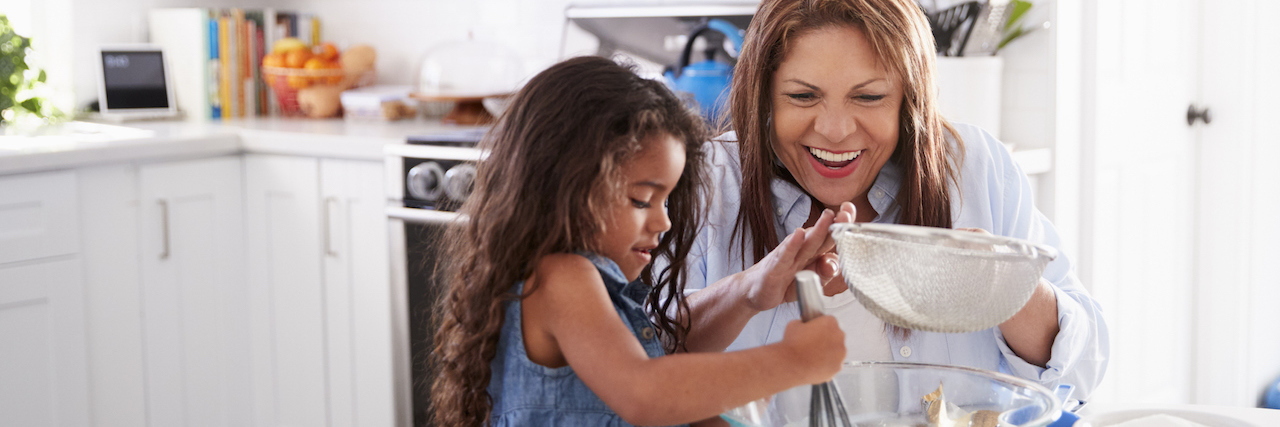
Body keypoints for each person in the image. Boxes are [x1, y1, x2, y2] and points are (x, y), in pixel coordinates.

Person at [680, 0, 1110, 398]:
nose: (835, 130)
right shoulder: (708, 180)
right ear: (762, 98)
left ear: (909, 100)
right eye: (803, 96)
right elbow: (645, 363)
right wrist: (746, 292)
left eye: (868, 97)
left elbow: (1083, 372)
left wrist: (1009, 287)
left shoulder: (975, 170)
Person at [429, 56, 846, 427]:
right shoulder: (563, 279)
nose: (663, 221)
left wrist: (752, 292)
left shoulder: (591, 290)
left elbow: (663, 361)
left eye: (666, 200)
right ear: (566, 187)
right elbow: (645, 393)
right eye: (641, 200)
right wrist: (790, 361)